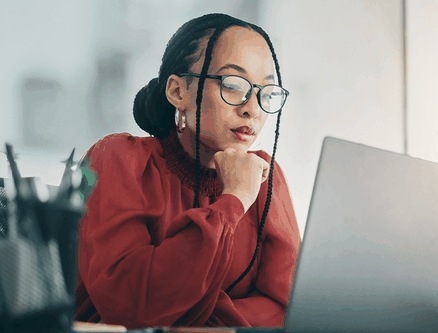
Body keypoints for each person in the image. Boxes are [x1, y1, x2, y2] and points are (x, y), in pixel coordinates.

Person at [74, 13, 300, 329]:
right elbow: (127, 306)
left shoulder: (266, 176)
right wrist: (234, 198)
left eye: (266, 91)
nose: (252, 108)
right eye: (233, 85)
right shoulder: (117, 158)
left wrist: (193, 314)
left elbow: (289, 309)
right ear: (179, 92)